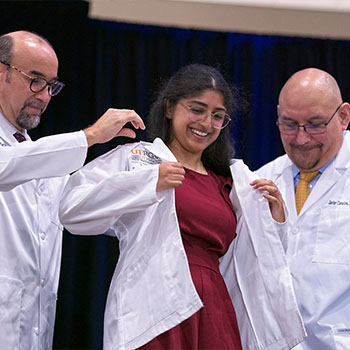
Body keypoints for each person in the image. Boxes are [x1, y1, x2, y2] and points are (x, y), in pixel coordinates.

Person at [59, 64, 306, 350]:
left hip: (214, 309)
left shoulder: (232, 179)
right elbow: (71, 208)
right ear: (169, 108)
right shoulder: (141, 158)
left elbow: (261, 264)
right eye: (197, 109)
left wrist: (274, 221)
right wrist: (148, 183)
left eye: (218, 116)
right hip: (155, 308)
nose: (206, 122)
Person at [0, 30, 145, 350]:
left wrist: (146, 180)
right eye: (35, 79)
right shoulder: (22, 157)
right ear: (2, 71)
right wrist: (91, 135)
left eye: (51, 85)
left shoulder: (38, 158)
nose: (44, 95)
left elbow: (81, 204)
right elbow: (7, 167)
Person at [256, 68, 350, 350]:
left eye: (315, 124)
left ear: (343, 116)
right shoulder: (262, 179)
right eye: (289, 124)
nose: (301, 138)